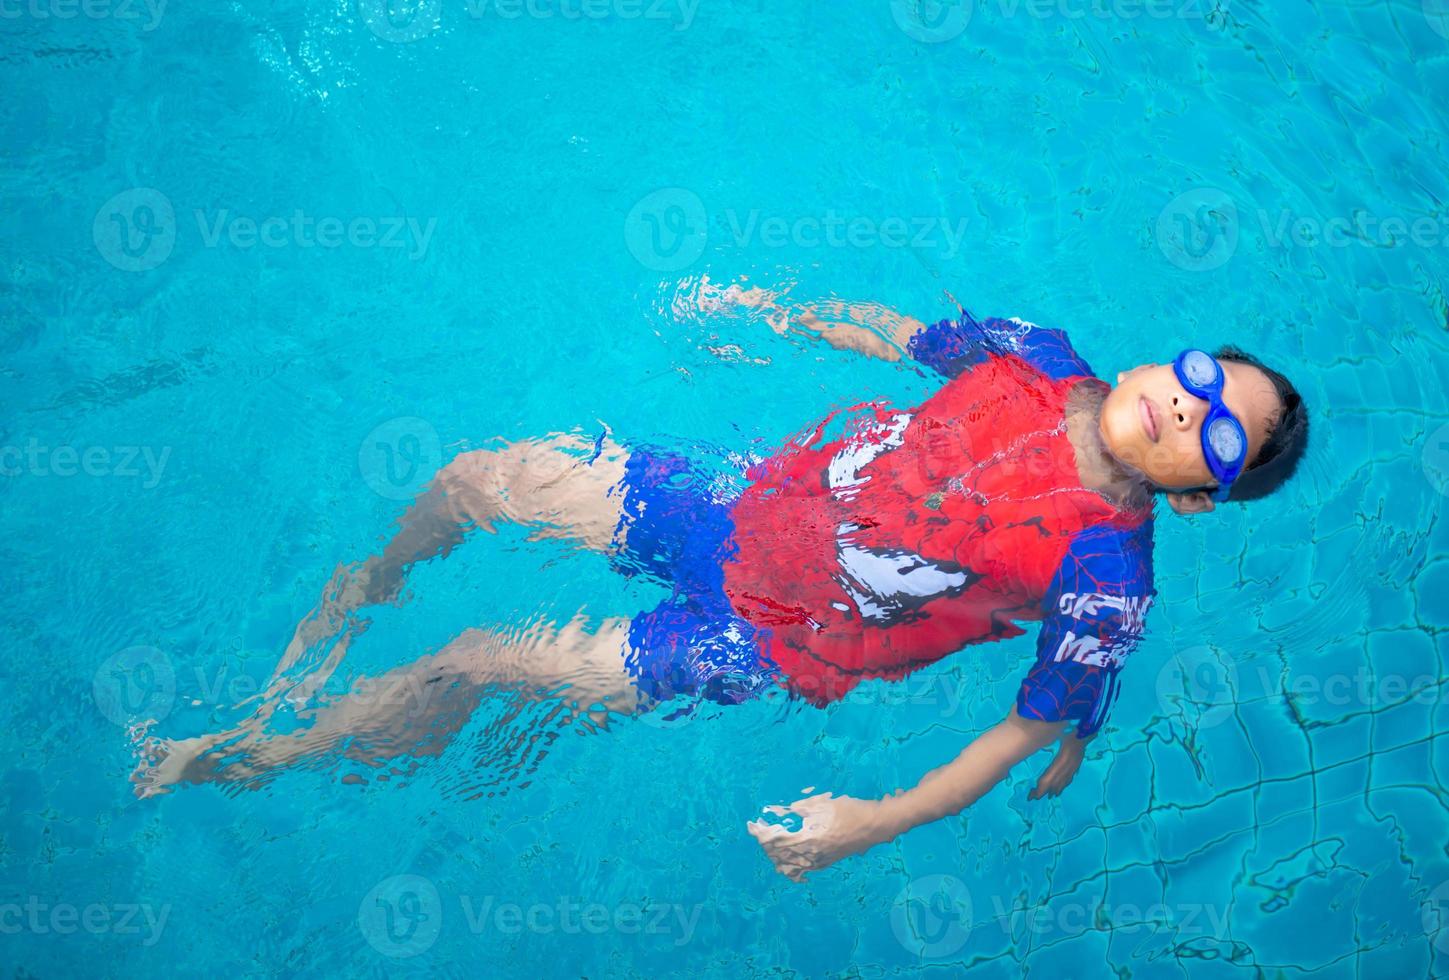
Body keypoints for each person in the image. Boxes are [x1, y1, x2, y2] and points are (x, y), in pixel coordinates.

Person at [131, 277, 1308, 883]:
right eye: (1207, 375)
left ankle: (253, 752)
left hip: (764, 642)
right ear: (1176, 352)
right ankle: (365, 584)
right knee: (478, 473)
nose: (1190, 403)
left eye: (1215, 437)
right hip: (738, 502)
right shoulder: (1032, 348)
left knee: (480, 656)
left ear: (1198, 495)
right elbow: (899, 336)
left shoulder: (1108, 574)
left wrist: (871, 822)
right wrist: (766, 314)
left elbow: (1019, 731)